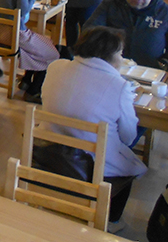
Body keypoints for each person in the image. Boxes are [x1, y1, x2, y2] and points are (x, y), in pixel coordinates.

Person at [41, 26, 147, 230]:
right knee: (132, 145)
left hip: (49, 149)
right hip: (88, 163)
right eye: (120, 53)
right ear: (108, 55)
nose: (122, 58)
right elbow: (127, 136)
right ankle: (110, 220)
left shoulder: (56, 67)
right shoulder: (119, 86)